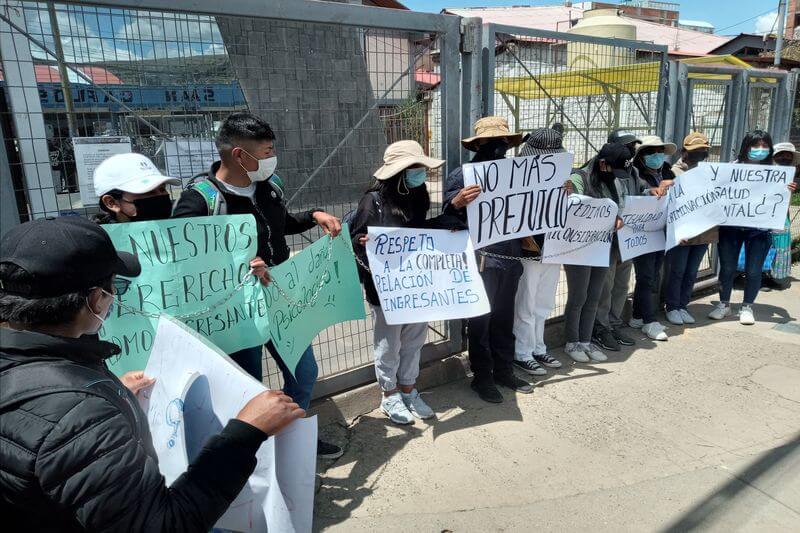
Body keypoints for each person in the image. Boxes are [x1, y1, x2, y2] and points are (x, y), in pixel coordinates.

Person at [0, 217, 305, 532]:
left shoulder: (47, 376)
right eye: (116, 287)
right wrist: (246, 432)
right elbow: (161, 524)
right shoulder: (79, 415)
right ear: (94, 299)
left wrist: (106, 394)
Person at [172, 112, 343, 459]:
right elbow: (184, 261)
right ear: (239, 155)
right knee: (247, 386)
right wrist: (237, 264)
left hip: (279, 297)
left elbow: (278, 227)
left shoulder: (269, 186)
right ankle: (254, 456)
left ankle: (291, 436)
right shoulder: (201, 200)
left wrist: (313, 215)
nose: (271, 158)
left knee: (304, 370)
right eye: (265, 152)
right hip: (236, 310)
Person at [351, 140, 463, 424]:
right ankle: (389, 395)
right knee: (389, 343)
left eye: (421, 167)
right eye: (415, 168)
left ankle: (409, 389)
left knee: (414, 339)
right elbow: (356, 239)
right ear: (398, 173)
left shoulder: (418, 195)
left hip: (418, 283)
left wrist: (445, 223)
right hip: (386, 288)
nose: (421, 173)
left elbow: (419, 230)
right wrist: (364, 242)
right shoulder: (372, 201)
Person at [443, 116, 534, 403]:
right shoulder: (462, 176)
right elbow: (447, 219)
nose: (499, 146)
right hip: (481, 260)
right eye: (492, 141)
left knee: (504, 317)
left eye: (503, 141)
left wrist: (557, 192)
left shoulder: (518, 173)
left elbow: (533, 204)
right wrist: (456, 203)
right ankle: (482, 376)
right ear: (479, 144)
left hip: (511, 257)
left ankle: (504, 369)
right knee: (480, 320)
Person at [709, 130, 796, 325]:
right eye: (755, 145)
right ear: (746, 147)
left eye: (765, 146)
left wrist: (787, 190)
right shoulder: (730, 169)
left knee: (754, 270)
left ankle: (747, 306)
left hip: (759, 230)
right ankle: (724, 304)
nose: (760, 150)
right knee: (728, 268)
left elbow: (779, 203)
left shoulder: (777, 174)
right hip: (731, 228)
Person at [564, 143, 628, 363]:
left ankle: (586, 340)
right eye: (614, 169)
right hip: (579, 249)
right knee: (578, 296)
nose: (616, 176)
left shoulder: (614, 181)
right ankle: (572, 341)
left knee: (594, 296)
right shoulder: (578, 179)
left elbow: (619, 207)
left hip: (603, 247)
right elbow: (574, 208)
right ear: (602, 163)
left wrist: (618, 219)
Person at [512, 127, 567, 376]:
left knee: (543, 302)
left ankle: (537, 347)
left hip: (554, 247)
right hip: (528, 249)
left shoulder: (562, 177)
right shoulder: (514, 177)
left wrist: (569, 193)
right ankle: (522, 352)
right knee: (526, 301)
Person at [590, 130, 643, 352]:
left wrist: (652, 194)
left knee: (622, 283)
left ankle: (614, 323)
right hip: (606, 238)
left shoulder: (632, 170)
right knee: (606, 285)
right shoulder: (595, 170)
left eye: (633, 145)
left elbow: (639, 192)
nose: (631, 149)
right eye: (627, 145)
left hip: (627, 236)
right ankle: (601, 327)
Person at [665, 132, 717, 325]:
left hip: (703, 230)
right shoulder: (673, 172)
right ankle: (671, 306)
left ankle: (683, 305)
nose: (700, 154)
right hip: (682, 231)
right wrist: (678, 230)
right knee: (677, 270)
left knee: (691, 271)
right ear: (684, 151)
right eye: (696, 151)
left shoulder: (710, 172)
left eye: (704, 151)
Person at [629, 135, 675, 341]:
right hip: (641, 232)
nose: (656, 155)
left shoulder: (667, 171)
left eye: (660, 151)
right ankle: (649, 321)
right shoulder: (634, 174)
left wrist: (674, 183)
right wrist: (650, 192)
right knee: (646, 276)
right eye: (651, 152)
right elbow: (634, 195)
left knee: (653, 275)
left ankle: (638, 316)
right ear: (641, 156)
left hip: (662, 231)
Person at [93, 152, 180, 223]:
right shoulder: (100, 242)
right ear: (111, 203)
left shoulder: (180, 231)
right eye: (148, 191)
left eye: (162, 189)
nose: (160, 196)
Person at [766, 142, 799, 290]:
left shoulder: (791, 174)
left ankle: (771, 275)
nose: (785, 157)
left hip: (781, 215)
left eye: (788, 155)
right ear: (774, 156)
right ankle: (758, 276)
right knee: (763, 245)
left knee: (779, 246)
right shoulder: (765, 171)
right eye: (781, 154)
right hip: (763, 214)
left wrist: (795, 186)